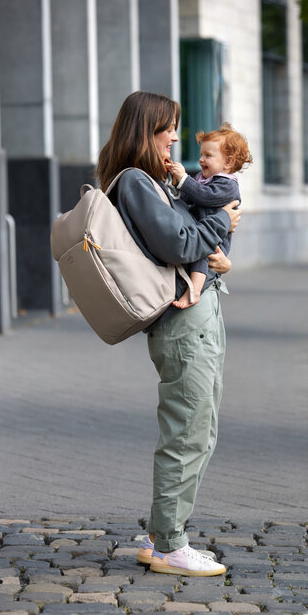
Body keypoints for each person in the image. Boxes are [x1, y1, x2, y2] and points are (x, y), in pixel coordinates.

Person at [95, 91, 241, 577]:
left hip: (194, 315)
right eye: (168, 128)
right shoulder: (137, 182)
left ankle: (160, 534)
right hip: (183, 320)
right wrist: (224, 219)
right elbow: (178, 242)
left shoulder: (151, 182)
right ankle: (170, 547)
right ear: (146, 131)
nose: (176, 137)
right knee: (189, 432)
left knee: (200, 428)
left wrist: (215, 254)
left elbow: (187, 240)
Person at [167, 123, 253, 309]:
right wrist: (176, 186)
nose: (201, 159)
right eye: (201, 154)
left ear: (228, 162)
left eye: (208, 155)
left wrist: (184, 180)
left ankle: (195, 290)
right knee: (199, 249)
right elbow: (189, 198)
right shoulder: (203, 178)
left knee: (202, 255)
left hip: (216, 239)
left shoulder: (227, 186)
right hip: (203, 230)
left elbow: (204, 196)